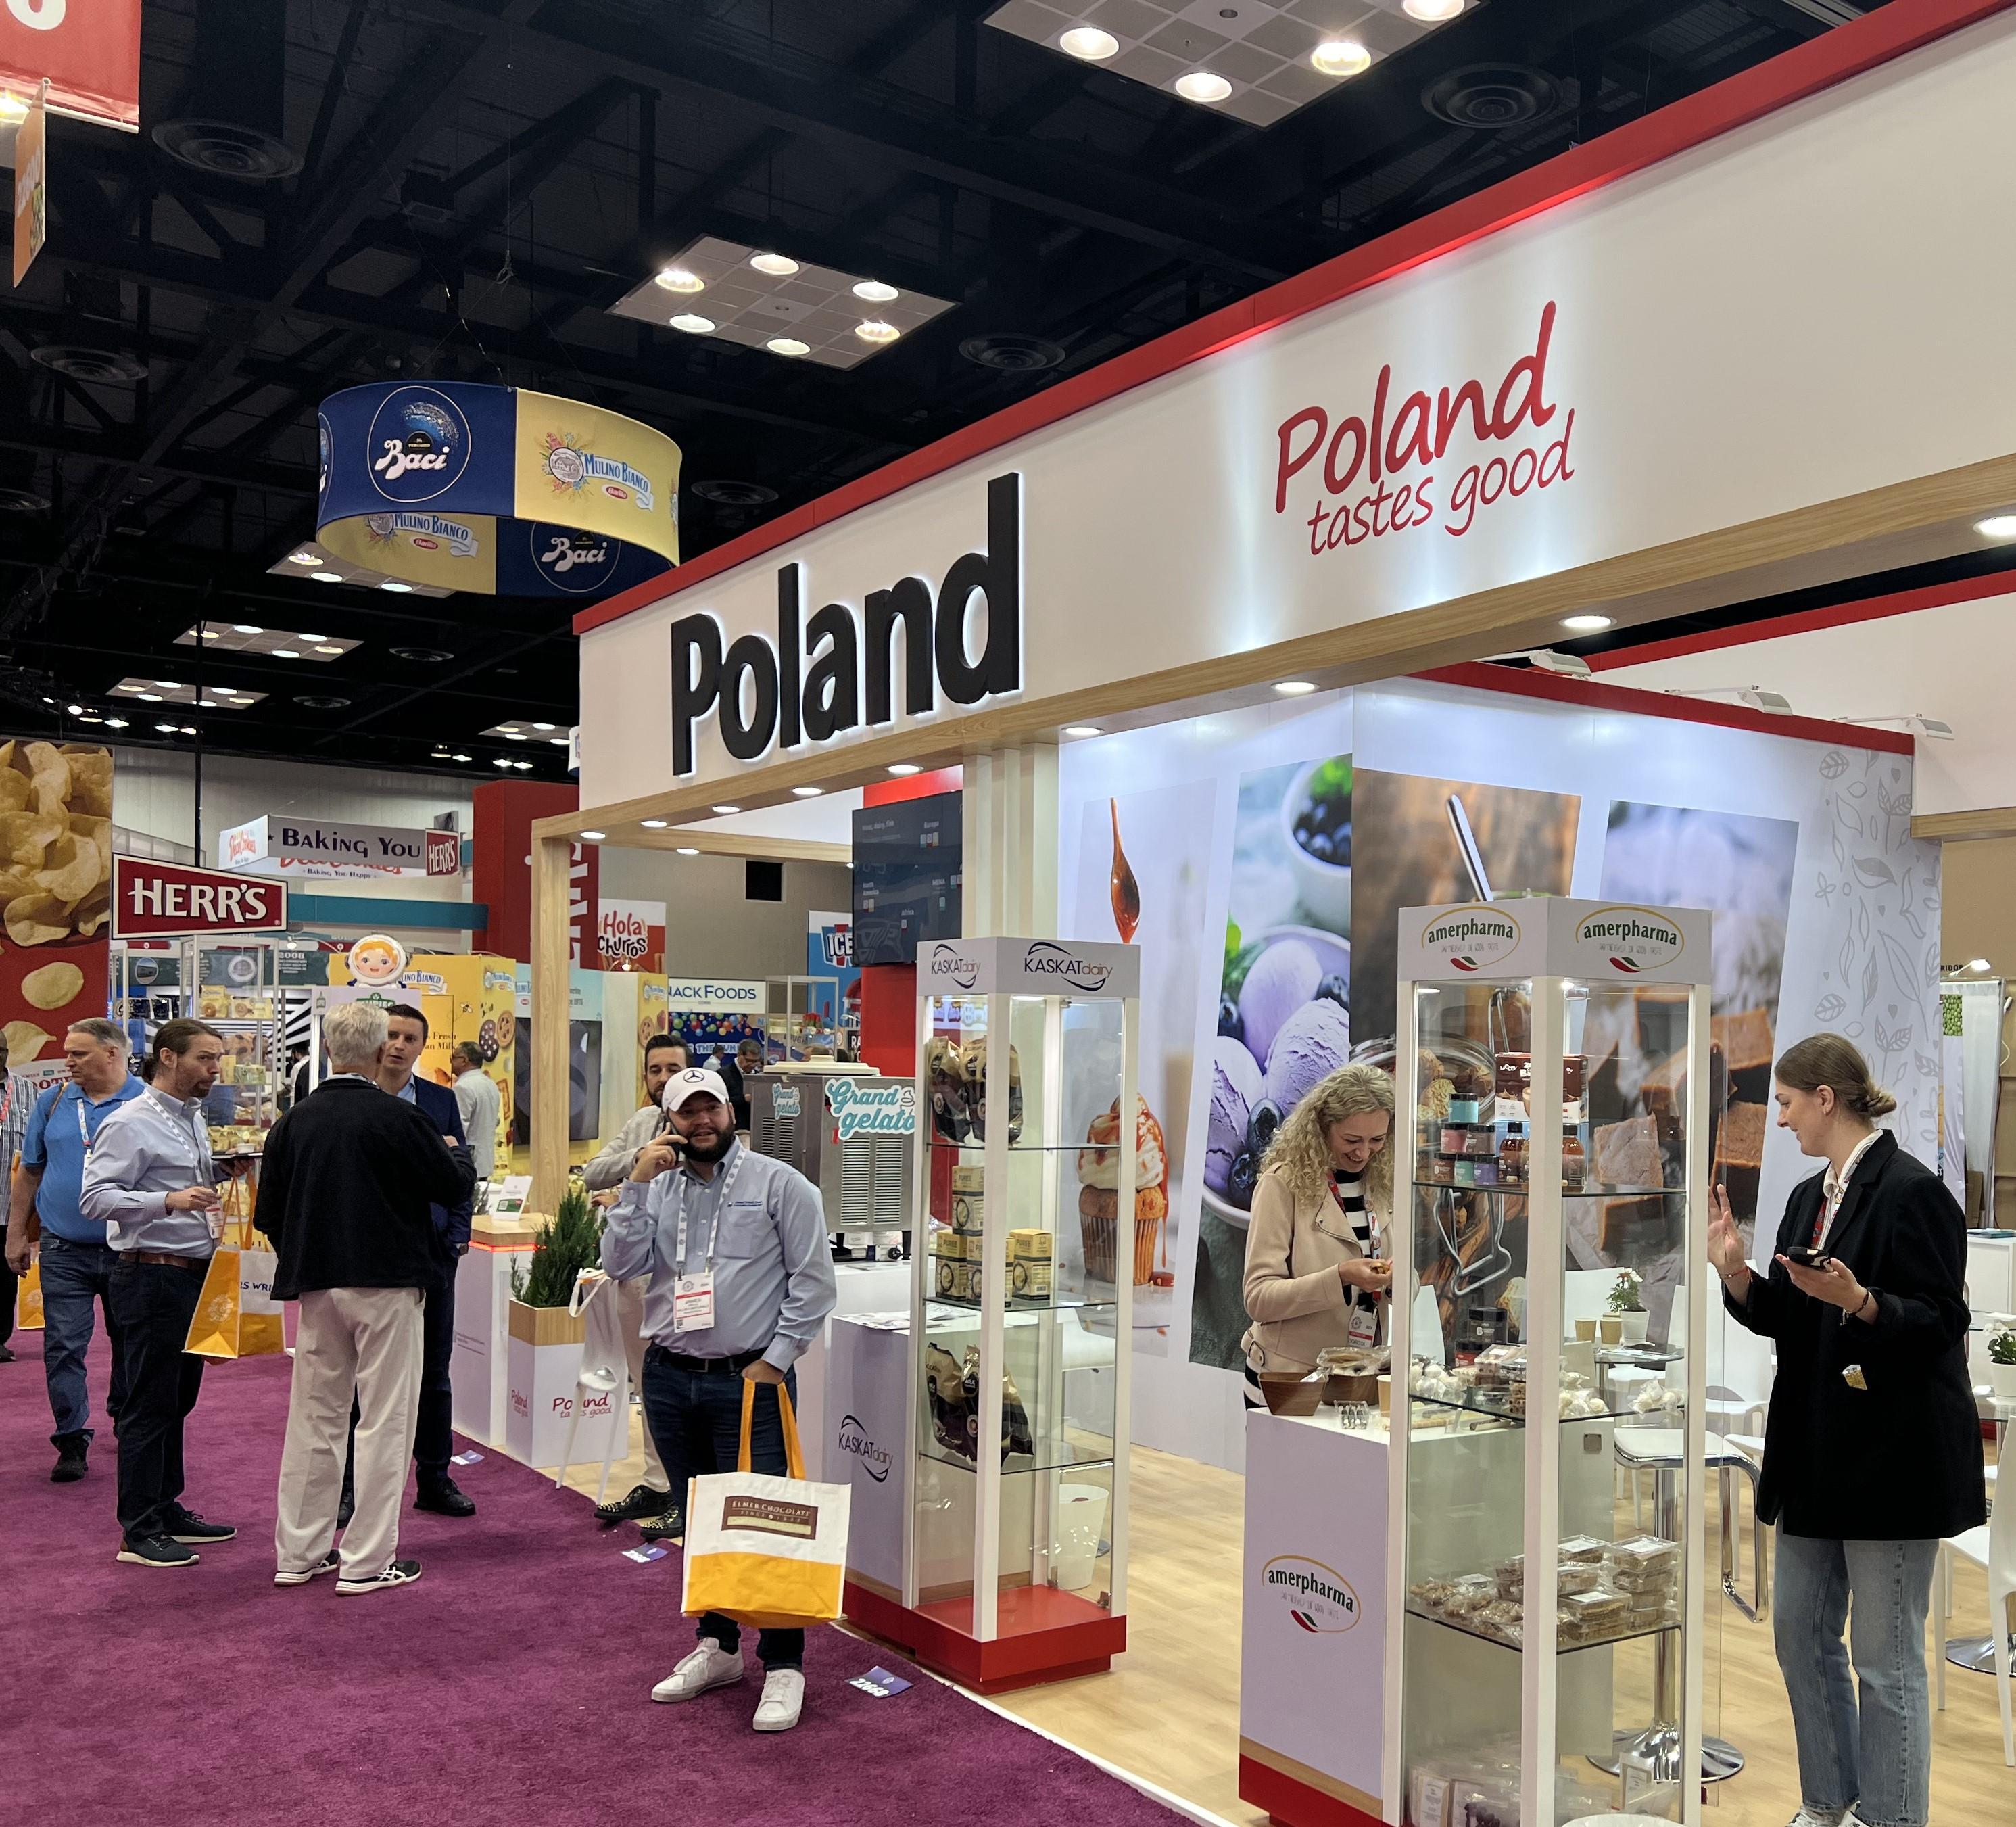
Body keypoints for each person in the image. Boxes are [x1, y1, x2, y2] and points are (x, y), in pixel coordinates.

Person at [1708, 1033, 1983, 1827]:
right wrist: (1737, 1273)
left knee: (1886, 1661)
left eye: (1788, 1102)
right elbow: (1793, 1318)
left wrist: (1862, 1302)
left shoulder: (1913, 1191)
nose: (1780, 1118)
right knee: (1799, 1633)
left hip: (1893, 1463)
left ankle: (1891, 1818)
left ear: (1826, 1098)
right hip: (1815, 1455)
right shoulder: (1807, 1197)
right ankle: (1828, 1800)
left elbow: (1941, 1321)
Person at [602, 1066, 836, 1732]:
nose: (701, 1121)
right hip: (671, 1374)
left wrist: (775, 1361)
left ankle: (784, 1662)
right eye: (688, 1111)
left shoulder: (780, 1185)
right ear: (670, 1119)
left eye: (711, 1108)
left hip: (748, 1377)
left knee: (766, 1517)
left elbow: (813, 1283)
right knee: (699, 1515)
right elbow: (620, 1263)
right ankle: (719, 1643)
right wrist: (635, 1185)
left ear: (731, 1111)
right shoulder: (657, 1187)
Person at [260, 1001, 478, 1596]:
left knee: (315, 1418)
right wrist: (457, 1152)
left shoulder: (294, 1122)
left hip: (317, 1285)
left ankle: (298, 1553)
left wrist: (311, 1252)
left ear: (329, 1049)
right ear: (382, 1050)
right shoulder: (401, 1118)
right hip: (389, 1283)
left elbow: (269, 1213)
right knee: (386, 1420)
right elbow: (454, 1185)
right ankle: (366, 1560)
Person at [81, 1018, 229, 1569]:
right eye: (205, 1058)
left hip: (191, 1274)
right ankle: (139, 1529)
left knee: (178, 1400)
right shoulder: (131, 1121)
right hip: (151, 1275)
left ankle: (166, 1508)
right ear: (168, 1057)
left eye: (217, 1059)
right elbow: (94, 1199)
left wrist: (219, 1174)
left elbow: (181, 1183)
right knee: (148, 1404)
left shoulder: (191, 1117)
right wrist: (166, 1201)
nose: (215, 1069)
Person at [341, 1003, 476, 1520]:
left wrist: (457, 1237)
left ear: (422, 1046)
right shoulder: (355, 1099)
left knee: (434, 1371)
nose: (399, 1045)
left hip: (433, 1253)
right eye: (392, 1035)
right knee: (362, 1375)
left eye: (410, 1038)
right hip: (370, 1254)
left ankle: (435, 1478)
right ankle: (349, 1486)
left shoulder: (441, 1100)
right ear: (378, 1042)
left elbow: (462, 1171)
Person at [6, 1018, 142, 1481]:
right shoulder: (54, 1100)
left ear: (112, 1054)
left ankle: (125, 1416)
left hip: (130, 1248)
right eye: (67, 1052)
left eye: (78, 1053)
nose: (67, 1061)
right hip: (63, 1248)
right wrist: (16, 1234)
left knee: (131, 1343)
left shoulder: (147, 1102)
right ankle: (71, 1438)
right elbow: (30, 1171)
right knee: (63, 1345)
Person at [581, 1033, 690, 1536]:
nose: (663, 1078)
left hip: (684, 1281)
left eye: (673, 1069)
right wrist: (640, 1160)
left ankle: (686, 1491)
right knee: (647, 1387)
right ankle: (657, 1482)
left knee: (683, 1389)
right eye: (655, 1070)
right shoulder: (644, 1122)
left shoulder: (705, 1127)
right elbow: (592, 1173)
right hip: (634, 1274)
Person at [1240, 1064, 1395, 1404]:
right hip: (1288, 1380)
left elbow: (1405, 1276)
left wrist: (1396, 1281)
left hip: (1361, 1380)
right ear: (1323, 1127)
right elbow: (1258, 1299)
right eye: (1351, 1140)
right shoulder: (1281, 1184)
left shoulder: (1384, 1182)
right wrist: (1340, 1278)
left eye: (1377, 1140)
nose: (1363, 1152)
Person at [450, 1042, 500, 1182]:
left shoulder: (463, 1087)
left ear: (464, 1060)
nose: (451, 1062)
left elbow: (459, 1129)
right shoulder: (490, 1084)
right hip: (486, 1162)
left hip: (468, 1163)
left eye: (453, 1057)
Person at [715, 1038, 763, 1132]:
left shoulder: (759, 1077)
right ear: (739, 1055)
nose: (753, 1065)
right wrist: (743, 1099)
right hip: (733, 1130)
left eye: (756, 1061)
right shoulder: (723, 1074)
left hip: (755, 1129)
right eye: (749, 1060)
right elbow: (719, 1103)